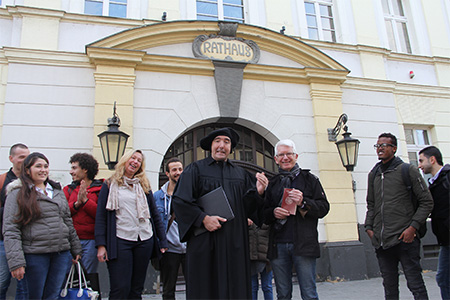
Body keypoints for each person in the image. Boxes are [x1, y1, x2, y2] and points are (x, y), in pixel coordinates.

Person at [172, 127, 268, 299]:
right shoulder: (194, 170)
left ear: (231, 148)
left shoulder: (241, 174)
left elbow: (250, 209)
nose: (221, 146)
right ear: (210, 145)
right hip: (205, 242)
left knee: (235, 288)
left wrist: (259, 193)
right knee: (205, 288)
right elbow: (180, 201)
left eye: (226, 142)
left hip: (235, 243)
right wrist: (203, 219)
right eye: (217, 141)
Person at [2, 152, 82, 299]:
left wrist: (75, 248)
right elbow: (11, 230)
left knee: (52, 296)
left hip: (60, 254)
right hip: (34, 255)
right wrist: (16, 262)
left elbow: (67, 221)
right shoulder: (17, 194)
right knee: (33, 296)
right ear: (27, 170)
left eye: (46, 166)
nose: (43, 170)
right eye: (38, 166)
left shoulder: (56, 191)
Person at [365, 133, 433, 300]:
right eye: (377, 146)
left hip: (405, 239)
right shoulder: (373, 174)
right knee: (389, 287)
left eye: (384, 145)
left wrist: (413, 227)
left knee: (415, 283)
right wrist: (368, 227)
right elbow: (371, 204)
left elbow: (427, 202)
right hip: (382, 241)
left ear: (394, 149)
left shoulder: (407, 170)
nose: (380, 148)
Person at [95, 149, 168, 299]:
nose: (135, 162)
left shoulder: (144, 186)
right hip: (120, 239)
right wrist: (101, 245)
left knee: (136, 288)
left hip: (144, 239)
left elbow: (154, 215)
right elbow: (101, 216)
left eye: (139, 160)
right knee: (120, 287)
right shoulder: (110, 185)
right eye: (133, 158)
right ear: (125, 160)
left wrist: (162, 240)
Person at [263, 139, 329, 300]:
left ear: (296, 156)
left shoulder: (310, 179)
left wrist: (303, 202)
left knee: (309, 293)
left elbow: (324, 208)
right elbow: (263, 214)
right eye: (281, 155)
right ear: (276, 159)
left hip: (303, 244)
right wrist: (273, 213)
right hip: (278, 245)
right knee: (283, 294)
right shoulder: (273, 183)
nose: (285, 158)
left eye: (289, 154)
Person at [64, 153, 104, 274]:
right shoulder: (68, 189)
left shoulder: (100, 189)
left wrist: (85, 201)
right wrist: (76, 204)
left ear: (85, 169)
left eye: (74, 168)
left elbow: (101, 215)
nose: (71, 172)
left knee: (86, 276)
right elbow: (62, 212)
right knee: (66, 276)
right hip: (70, 240)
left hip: (91, 241)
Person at [418, 146, 450, 300]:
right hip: (445, 240)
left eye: (421, 160)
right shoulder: (433, 182)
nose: (419, 165)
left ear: (432, 159)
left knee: (443, 278)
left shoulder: (448, 177)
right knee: (444, 279)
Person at [154, 158, 186, 300]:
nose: (177, 172)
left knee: (195, 287)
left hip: (189, 248)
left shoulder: (191, 193)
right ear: (167, 173)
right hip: (169, 249)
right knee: (168, 290)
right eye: (174, 170)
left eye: (180, 169)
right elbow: (153, 223)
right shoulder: (158, 197)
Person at [0, 144, 29, 300]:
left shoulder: (33, 181)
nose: (25, 161)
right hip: (4, 241)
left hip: (29, 242)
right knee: (2, 282)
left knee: (24, 288)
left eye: (27, 157)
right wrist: (13, 211)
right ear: (11, 159)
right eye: (21, 157)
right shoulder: (2, 181)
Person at [248, 218, 273, 300]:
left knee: (267, 286)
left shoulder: (267, 217)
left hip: (266, 257)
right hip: (251, 257)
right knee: (252, 287)